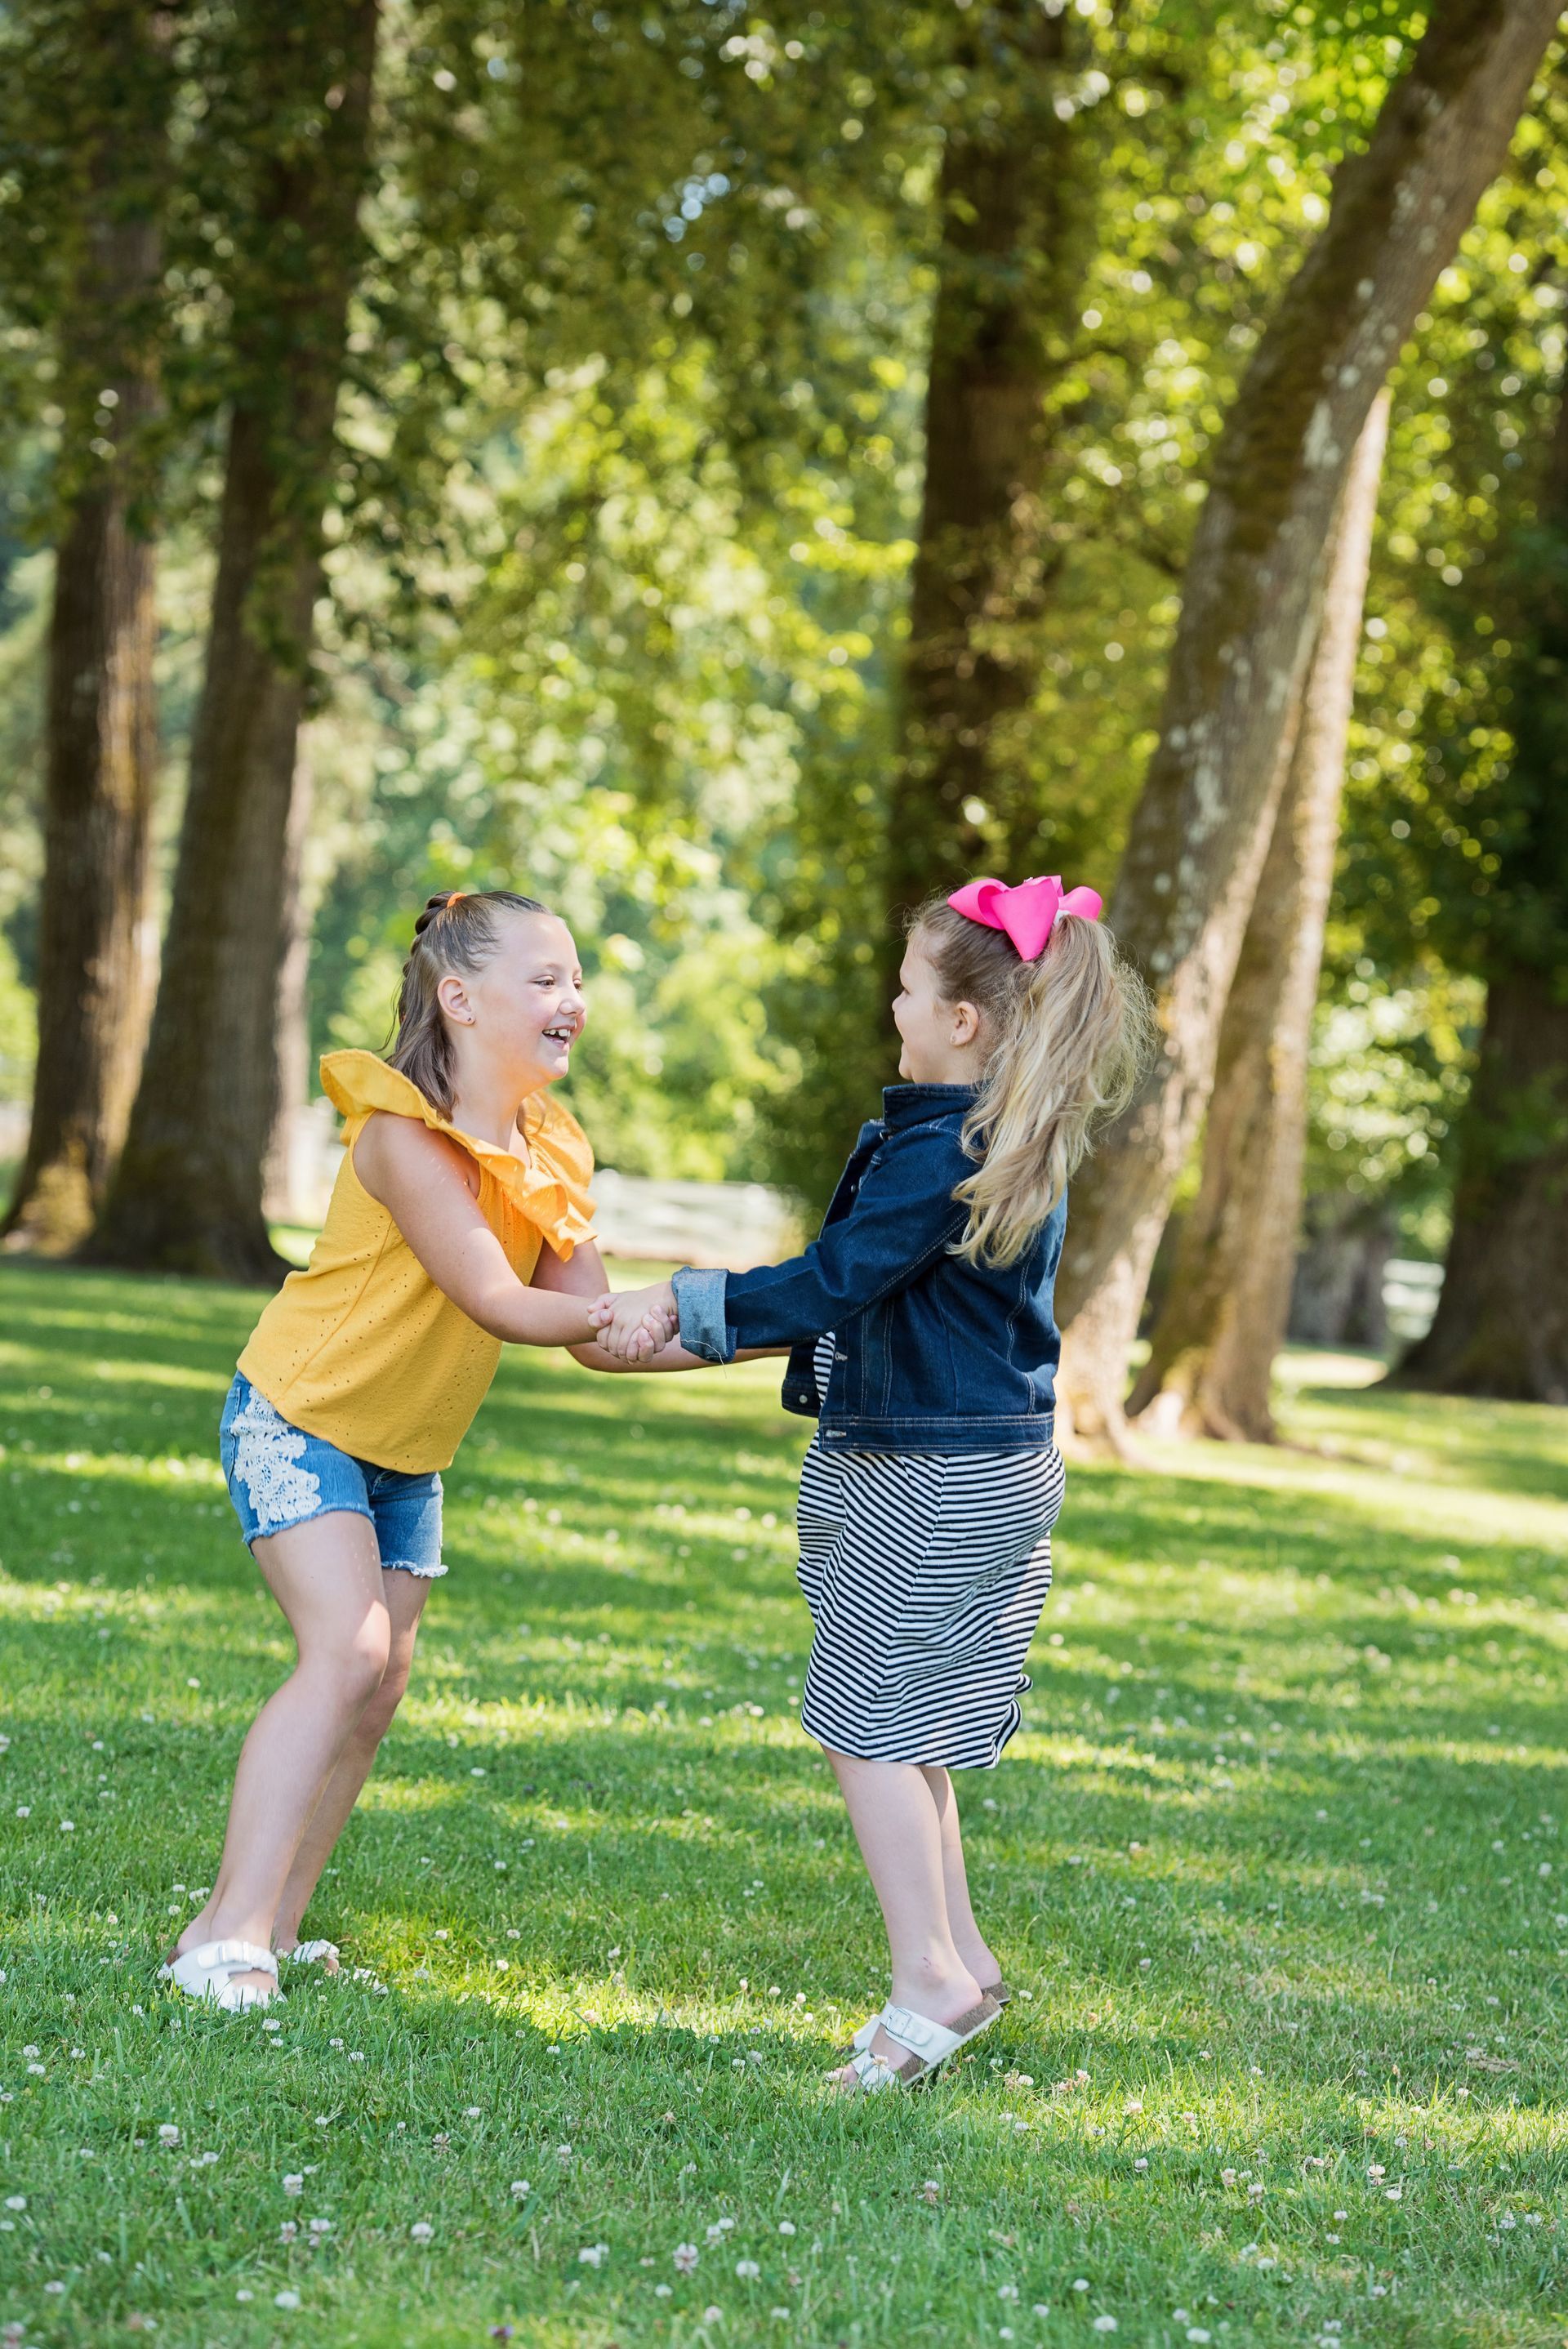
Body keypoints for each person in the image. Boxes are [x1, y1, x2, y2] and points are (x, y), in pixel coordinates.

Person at [596, 875, 1151, 2093]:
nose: (895, 1004)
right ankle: (964, 1962)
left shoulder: (942, 1149)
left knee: (868, 1728)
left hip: (928, 1472)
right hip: (982, 1461)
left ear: (962, 1019)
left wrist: (684, 1309)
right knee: (916, 1728)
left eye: (909, 987)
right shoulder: (990, 1137)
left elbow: (834, 1279)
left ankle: (930, 1983)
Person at [163, 888, 669, 2011]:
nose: (572, 1001)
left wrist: (755, 1328)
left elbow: (595, 1333)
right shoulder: (401, 1135)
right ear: (460, 999)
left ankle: (277, 1933)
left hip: (407, 1450)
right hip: (300, 1418)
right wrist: (645, 1309)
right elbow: (499, 1299)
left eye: (577, 980)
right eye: (545, 980)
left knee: (380, 1683)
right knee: (343, 1653)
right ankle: (220, 1933)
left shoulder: (552, 1151)